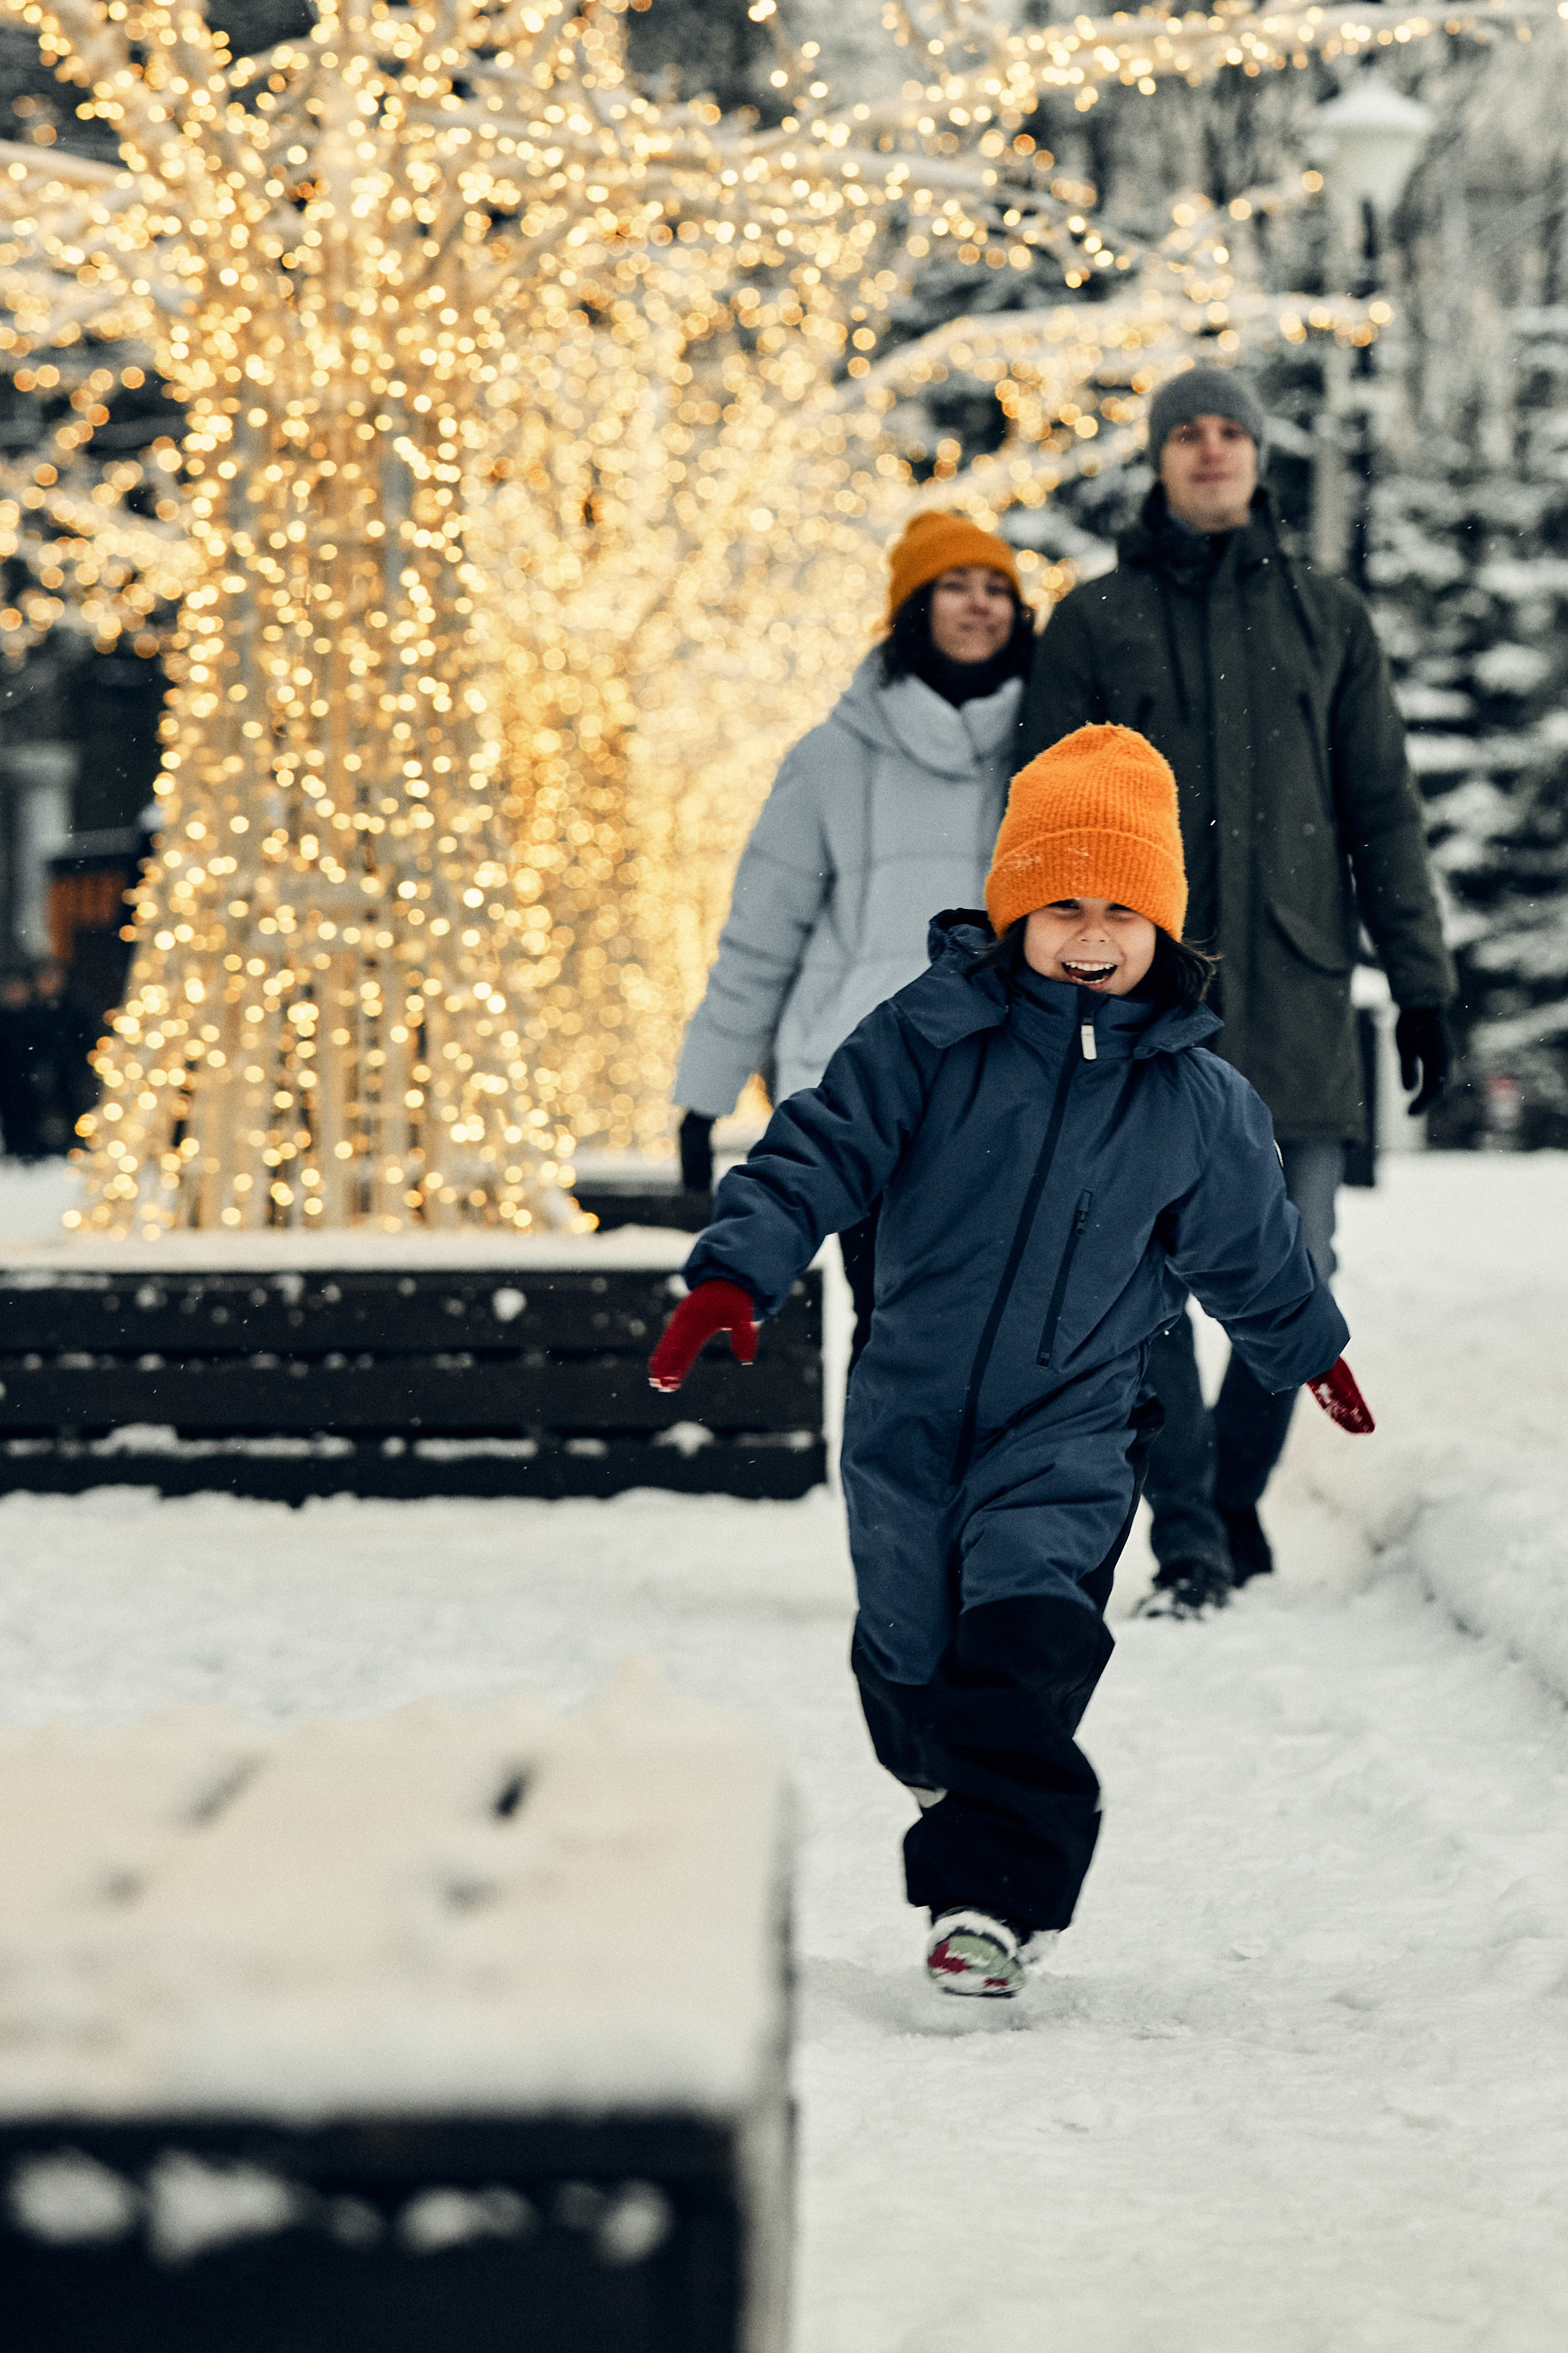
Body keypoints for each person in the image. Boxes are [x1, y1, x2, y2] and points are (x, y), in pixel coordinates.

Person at [648, 726, 1372, 1999]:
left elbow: (1252, 1253)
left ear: (1161, 928)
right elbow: (813, 1153)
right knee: (911, 1660)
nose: (1088, 934)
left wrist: (1306, 1347)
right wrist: (731, 1270)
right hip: (906, 1419)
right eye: (1059, 904)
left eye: (1119, 909)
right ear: (1012, 910)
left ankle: (989, 1902)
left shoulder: (1196, 1102)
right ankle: (948, 1761)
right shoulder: (923, 1040)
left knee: (1024, 1642)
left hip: (1073, 1428)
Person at [1018, 367, 1454, 1615]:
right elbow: (1041, 831)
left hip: (1301, 1000)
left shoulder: (1327, 619)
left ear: (1258, 458)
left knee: (1295, 1269)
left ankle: (1230, 1501)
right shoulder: (1096, 624)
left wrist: (1417, 982)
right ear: (1156, 460)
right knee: (1142, 1273)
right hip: (1142, 1015)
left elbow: (1381, 813)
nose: (1208, 453)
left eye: (1229, 434)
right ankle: (1191, 1533)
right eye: (1185, 436)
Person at [672, 510, 1034, 1361]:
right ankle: (893, 1497)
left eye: (998, 590)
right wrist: (705, 1091)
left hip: (1005, 1085)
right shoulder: (830, 759)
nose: (980, 606)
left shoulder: (1046, 752)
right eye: (955, 586)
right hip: (859, 1092)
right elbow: (762, 936)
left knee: (1002, 1340)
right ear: (913, 607)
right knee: (892, 1338)